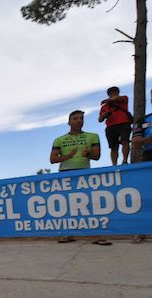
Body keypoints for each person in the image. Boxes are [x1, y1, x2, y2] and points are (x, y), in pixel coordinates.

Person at [50, 110, 110, 245]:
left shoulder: (93, 136)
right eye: (75, 118)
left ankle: (98, 236)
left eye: (81, 118)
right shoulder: (59, 139)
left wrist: (88, 153)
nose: (79, 121)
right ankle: (67, 234)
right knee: (66, 205)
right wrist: (68, 156)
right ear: (69, 122)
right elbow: (53, 159)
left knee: (90, 203)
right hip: (65, 173)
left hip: (85, 173)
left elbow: (97, 156)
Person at [130, 114, 152, 243]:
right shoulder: (143, 119)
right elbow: (136, 141)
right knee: (146, 194)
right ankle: (141, 229)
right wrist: (148, 140)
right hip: (149, 155)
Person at [98, 86, 132, 165]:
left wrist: (109, 100)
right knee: (113, 147)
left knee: (125, 141)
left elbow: (118, 98)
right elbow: (100, 119)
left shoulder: (123, 98)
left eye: (114, 93)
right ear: (108, 94)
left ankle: (125, 161)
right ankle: (114, 164)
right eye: (111, 93)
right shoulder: (104, 106)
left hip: (124, 123)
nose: (113, 95)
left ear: (118, 93)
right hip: (110, 126)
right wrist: (104, 115)